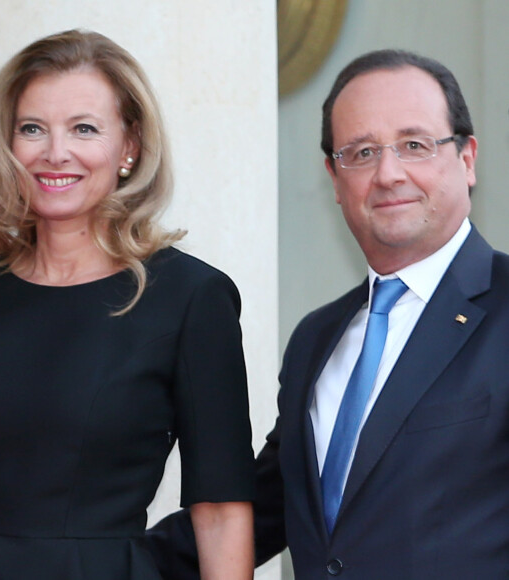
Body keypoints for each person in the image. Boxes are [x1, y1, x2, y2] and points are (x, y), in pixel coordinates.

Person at [146, 49, 509, 579]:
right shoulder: (317, 339)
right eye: (360, 152)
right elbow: (267, 508)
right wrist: (86, 556)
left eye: (414, 144)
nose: (388, 173)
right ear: (334, 179)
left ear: (467, 159)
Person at [0, 29, 256, 579]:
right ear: (7, 144)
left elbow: (221, 513)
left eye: (84, 128)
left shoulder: (190, 297)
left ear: (129, 145)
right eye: (32, 129)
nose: (55, 153)